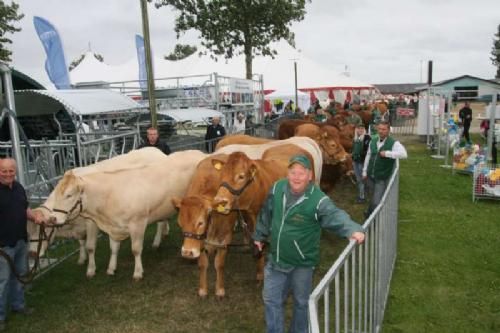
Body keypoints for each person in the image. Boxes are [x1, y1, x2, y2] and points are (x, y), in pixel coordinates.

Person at [253, 154, 365, 333]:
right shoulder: (277, 188)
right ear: (287, 173)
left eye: (301, 173)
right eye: (293, 172)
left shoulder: (318, 200)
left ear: (310, 176)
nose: (296, 177)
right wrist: (259, 235)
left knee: (301, 303)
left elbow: (334, 215)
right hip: (276, 259)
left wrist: (352, 229)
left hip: (302, 263)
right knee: (272, 300)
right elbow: (266, 213)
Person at [0, 158, 40, 331]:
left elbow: (25, 208)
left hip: (21, 240)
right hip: (3, 245)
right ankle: (0, 317)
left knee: (20, 275)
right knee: (2, 281)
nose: (8, 174)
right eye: (4, 170)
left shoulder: (18, 187)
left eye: (11, 170)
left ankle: (18, 305)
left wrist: (35, 217)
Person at [363, 121, 407, 217]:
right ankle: (369, 213)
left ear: (388, 130)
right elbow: (368, 156)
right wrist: (364, 171)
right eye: (379, 129)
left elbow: (404, 154)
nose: (381, 131)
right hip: (370, 175)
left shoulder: (394, 143)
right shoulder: (373, 141)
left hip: (381, 178)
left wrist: (387, 153)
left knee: (376, 201)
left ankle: (371, 217)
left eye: (384, 129)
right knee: (373, 197)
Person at [352, 124, 371, 203]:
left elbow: (368, 151)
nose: (360, 130)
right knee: (358, 178)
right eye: (359, 129)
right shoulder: (355, 139)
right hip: (355, 161)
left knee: (361, 179)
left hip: (362, 162)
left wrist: (360, 155)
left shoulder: (367, 138)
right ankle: (364, 193)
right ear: (356, 130)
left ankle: (362, 197)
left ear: (364, 130)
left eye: (362, 129)